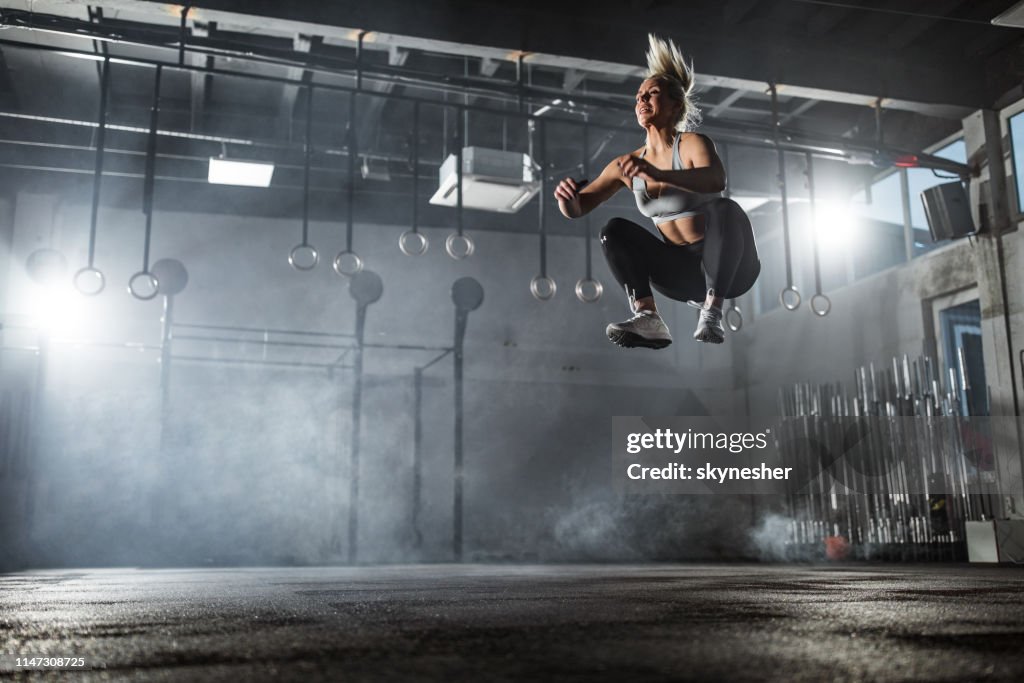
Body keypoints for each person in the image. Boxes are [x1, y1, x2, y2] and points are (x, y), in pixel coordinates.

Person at [554, 34, 760, 349]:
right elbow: (578, 209)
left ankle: (712, 312)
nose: (642, 100)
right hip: (680, 276)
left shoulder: (692, 144)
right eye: (639, 96)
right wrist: (566, 200)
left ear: (675, 105)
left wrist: (660, 174)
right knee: (614, 230)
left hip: (731, 268)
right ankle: (648, 317)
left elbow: (716, 181)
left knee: (724, 209)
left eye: (652, 94)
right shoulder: (627, 164)